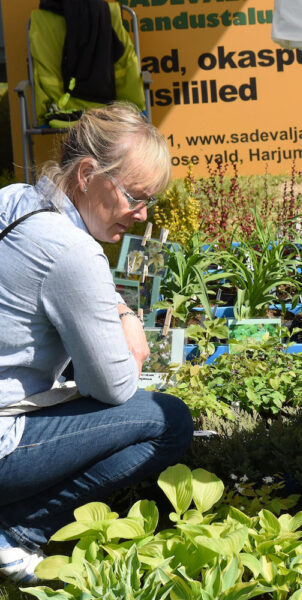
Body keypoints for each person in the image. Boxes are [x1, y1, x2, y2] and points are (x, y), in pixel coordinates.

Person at [0, 103, 194, 583]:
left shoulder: (15, 199)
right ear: (88, 174)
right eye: (135, 196)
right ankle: (17, 530)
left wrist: (119, 308)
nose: (142, 213)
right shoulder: (73, 250)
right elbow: (113, 386)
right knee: (166, 420)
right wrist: (130, 328)